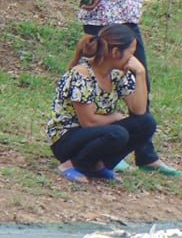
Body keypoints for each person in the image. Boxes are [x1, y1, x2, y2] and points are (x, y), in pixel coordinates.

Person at [60, 0, 180, 176]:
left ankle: (145, 155)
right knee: (100, 85)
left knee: (139, 80)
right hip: (102, 23)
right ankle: (99, 149)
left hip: (128, 20)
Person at [47, 24, 157, 184]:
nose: (133, 59)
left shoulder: (118, 74)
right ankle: (72, 164)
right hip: (67, 138)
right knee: (118, 133)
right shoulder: (82, 74)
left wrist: (140, 74)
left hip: (97, 133)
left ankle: (100, 165)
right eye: (131, 53)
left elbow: (139, 110)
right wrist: (115, 117)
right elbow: (89, 122)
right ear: (115, 52)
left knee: (146, 123)